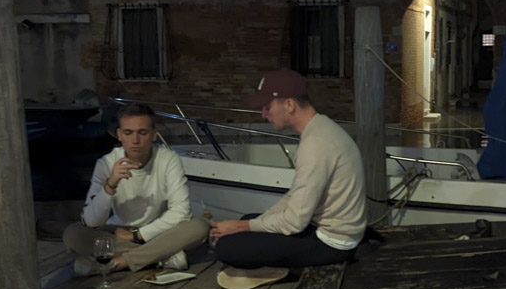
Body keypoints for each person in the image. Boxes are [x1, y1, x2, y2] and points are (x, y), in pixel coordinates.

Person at [210, 69, 366, 273]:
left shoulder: (316, 143)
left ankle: (281, 271)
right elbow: (295, 196)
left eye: (267, 107)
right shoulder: (322, 128)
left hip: (332, 243)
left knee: (226, 247)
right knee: (247, 219)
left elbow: (294, 222)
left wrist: (242, 228)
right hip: (324, 228)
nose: (263, 114)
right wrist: (250, 223)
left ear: (289, 105)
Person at [63, 102, 209, 276]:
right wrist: (111, 185)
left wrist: (138, 235)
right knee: (72, 235)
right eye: (128, 132)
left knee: (199, 226)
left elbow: (181, 212)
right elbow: (92, 221)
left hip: (159, 231)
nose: (135, 140)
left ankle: (120, 262)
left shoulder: (168, 159)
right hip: (118, 231)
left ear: (154, 135)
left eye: (143, 132)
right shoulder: (106, 163)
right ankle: (161, 257)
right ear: (119, 135)